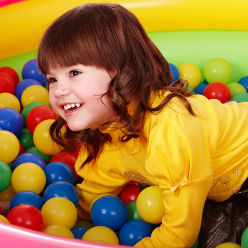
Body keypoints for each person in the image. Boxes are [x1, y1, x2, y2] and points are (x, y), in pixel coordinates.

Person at [37, 3, 248, 248]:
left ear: (124, 70)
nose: (59, 90)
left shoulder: (172, 129)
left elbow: (179, 235)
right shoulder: (106, 131)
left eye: (74, 73)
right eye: (52, 79)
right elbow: (91, 195)